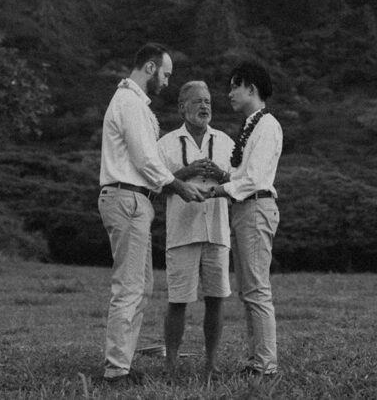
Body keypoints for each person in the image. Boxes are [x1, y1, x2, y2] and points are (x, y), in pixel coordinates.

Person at [97, 43, 205, 385]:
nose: (167, 82)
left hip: (135, 199)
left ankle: (123, 363)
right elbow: (145, 159)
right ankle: (116, 371)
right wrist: (179, 186)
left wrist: (179, 176)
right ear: (149, 67)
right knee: (129, 286)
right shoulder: (129, 102)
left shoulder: (133, 103)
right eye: (166, 74)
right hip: (126, 197)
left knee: (141, 286)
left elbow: (149, 161)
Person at [205, 61, 283, 376]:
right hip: (245, 209)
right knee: (249, 290)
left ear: (250, 87)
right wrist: (224, 175)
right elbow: (244, 174)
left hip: (254, 208)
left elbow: (254, 179)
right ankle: (258, 360)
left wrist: (217, 190)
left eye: (234, 86)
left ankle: (265, 364)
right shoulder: (253, 124)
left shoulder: (266, 125)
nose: (229, 93)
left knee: (256, 290)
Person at [156, 81, 235, 381]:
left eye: (208, 102)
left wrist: (222, 176)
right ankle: (170, 365)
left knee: (216, 298)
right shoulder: (165, 144)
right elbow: (155, 186)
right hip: (182, 233)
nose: (205, 107)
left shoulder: (226, 142)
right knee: (178, 300)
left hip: (217, 231)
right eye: (198, 101)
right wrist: (184, 175)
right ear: (182, 107)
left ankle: (211, 363)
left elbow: (239, 185)